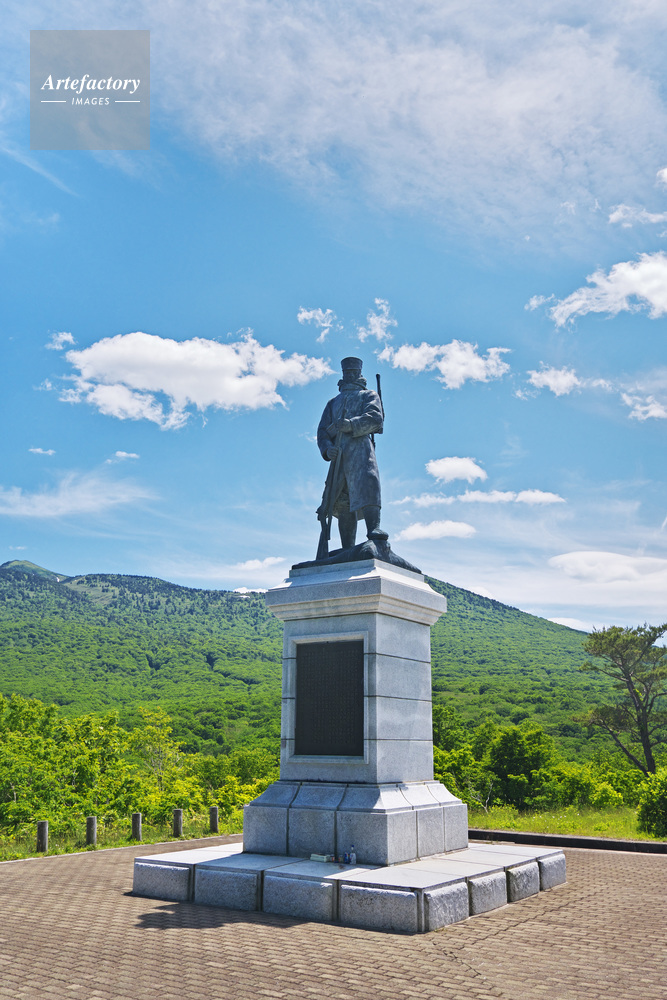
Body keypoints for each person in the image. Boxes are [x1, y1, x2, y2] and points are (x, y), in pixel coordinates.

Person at [316, 357, 388, 549]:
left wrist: (351, 424)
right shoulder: (333, 403)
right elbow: (322, 432)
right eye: (346, 373)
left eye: (353, 372)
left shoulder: (369, 395)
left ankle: (374, 529)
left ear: (359, 374)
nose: (349, 375)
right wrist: (327, 449)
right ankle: (347, 547)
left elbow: (376, 419)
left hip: (361, 451)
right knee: (342, 500)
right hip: (339, 455)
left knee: (368, 485)